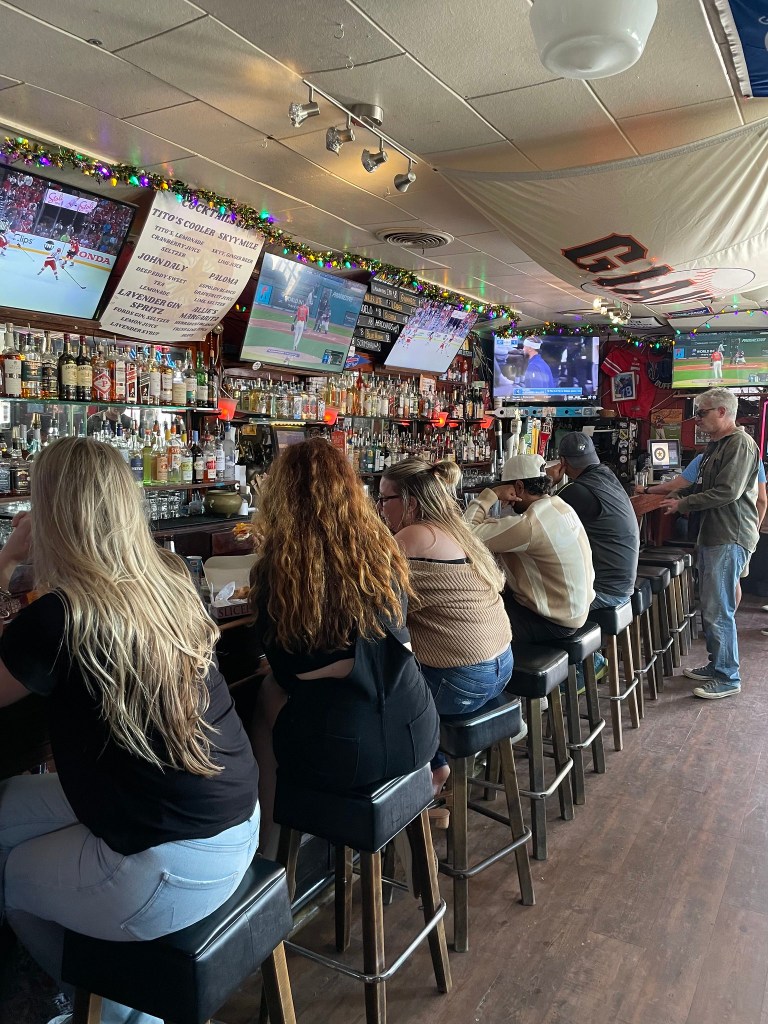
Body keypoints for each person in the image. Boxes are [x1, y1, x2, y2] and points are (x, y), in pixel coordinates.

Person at [0, 437, 260, 1024]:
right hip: (237, 828)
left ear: (50, 515)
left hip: (170, 864)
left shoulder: (61, 615)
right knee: (9, 807)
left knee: (12, 874)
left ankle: (100, 1004)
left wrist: (7, 561)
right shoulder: (170, 581)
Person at [248, 438, 439, 851]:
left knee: (266, 694)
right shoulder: (386, 552)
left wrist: (321, 669)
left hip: (348, 751)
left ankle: (271, 850)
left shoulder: (277, 570)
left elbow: (285, 671)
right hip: (418, 731)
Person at [378, 458, 513, 793]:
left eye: (384, 499)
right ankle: (440, 761)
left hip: (464, 682)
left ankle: (429, 772)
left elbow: (374, 601)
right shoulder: (458, 530)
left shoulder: (411, 536)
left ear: (409, 501)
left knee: (381, 690)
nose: (379, 508)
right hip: (502, 666)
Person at [660, 388, 760, 699]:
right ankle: (718, 664)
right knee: (712, 606)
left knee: (719, 609)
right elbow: (703, 486)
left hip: (729, 536)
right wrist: (674, 495)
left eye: (701, 412)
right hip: (714, 534)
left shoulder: (740, 444)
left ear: (721, 412)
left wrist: (682, 505)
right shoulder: (718, 445)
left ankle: (729, 676)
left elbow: (726, 492)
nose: (697, 419)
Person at [464, 453, 594, 642]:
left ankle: (499, 671)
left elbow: (465, 534)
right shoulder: (560, 506)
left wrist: (489, 495)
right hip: (575, 612)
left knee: (473, 624)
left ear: (518, 486)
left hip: (552, 622)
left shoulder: (530, 524)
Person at [635, 445, 767, 607]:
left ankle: (720, 626)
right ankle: (726, 623)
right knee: (733, 581)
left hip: (717, 531)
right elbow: (761, 500)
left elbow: (677, 485)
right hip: (745, 531)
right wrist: (755, 529)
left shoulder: (706, 459)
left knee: (717, 587)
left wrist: (647, 489)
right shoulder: (754, 458)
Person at [553, 432, 640, 610]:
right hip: (622, 588)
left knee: (528, 604)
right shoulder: (607, 475)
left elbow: (536, 518)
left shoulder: (576, 490)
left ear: (562, 462)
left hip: (603, 593)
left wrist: (549, 481)